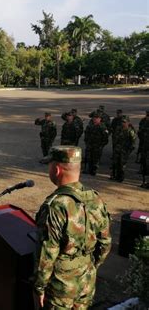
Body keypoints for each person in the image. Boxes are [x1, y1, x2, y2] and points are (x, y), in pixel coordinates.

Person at [34, 146, 112, 309]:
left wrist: (39, 287)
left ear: (56, 169)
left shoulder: (56, 206)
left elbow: (46, 254)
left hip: (60, 289)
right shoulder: (95, 198)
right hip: (86, 282)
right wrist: (89, 266)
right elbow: (105, 243)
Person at [110, 116, 136, 182]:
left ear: (128, 122)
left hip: (124, 150)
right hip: (117, 149)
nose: (123, 123)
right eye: (122, 122)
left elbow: (133, 143)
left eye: (124, 122)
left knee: (122, 164)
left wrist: (128, 151)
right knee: (115, 163)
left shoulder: (130, 131)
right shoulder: (118, 128)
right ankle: (115, 176)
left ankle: (121, 177)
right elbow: (115, 138)